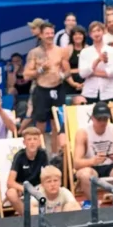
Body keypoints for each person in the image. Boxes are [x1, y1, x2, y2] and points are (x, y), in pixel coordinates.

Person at [72, 100, 113, 206]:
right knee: (84, 174)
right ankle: (96, 206)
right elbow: (76, 163)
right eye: (99, 119)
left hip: (111, 166)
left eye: (105, 119)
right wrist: (93, 161)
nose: (102, 122)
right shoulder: (83, 133)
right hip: (92, 168)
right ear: (92, 118)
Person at [23, 22, 71, 154]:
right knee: (40, 125)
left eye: (51, 33)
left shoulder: (61, 51)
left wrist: (61, 75)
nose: (50, 36)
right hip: (42, 90)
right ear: (41, 35)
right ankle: (39, 153)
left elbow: (67, 71)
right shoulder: (34, 53)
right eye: (47, 33)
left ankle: (56, 154)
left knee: (57, 123)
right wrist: (40, 69)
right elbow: (26, 75)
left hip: (58, 89)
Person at [4, 126, 50, 213]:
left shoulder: (42, 154)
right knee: (11, 193)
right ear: (24, 142)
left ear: (39, 142)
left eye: (35, 139)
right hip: (22, 188)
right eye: (29, 139)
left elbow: (48, 173)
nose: (32, 142)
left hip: (38, 187)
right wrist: (26, 189)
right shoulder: (19, 156)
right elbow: (10, 182)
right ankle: (25, 215)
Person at [77, 21, 113, 103]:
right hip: (90, 93)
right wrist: (98, 60)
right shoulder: (85, 52)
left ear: (103, 32)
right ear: (90, 35)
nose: (96, 34)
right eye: (93, 31)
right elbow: (83, 74)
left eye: (98, 30)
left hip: (110, 93)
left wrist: (92, 72)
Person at [64, 26, 89, 103]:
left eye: (80, 34)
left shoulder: (89, 49)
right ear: (72, 37)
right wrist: (73, 84)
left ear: (84, 36)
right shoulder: (67, 49)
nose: (78, 36)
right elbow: (64, 70)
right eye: (75, 34)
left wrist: (84, 84)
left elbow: (91, 69)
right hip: (69, 84)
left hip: (86, 84)